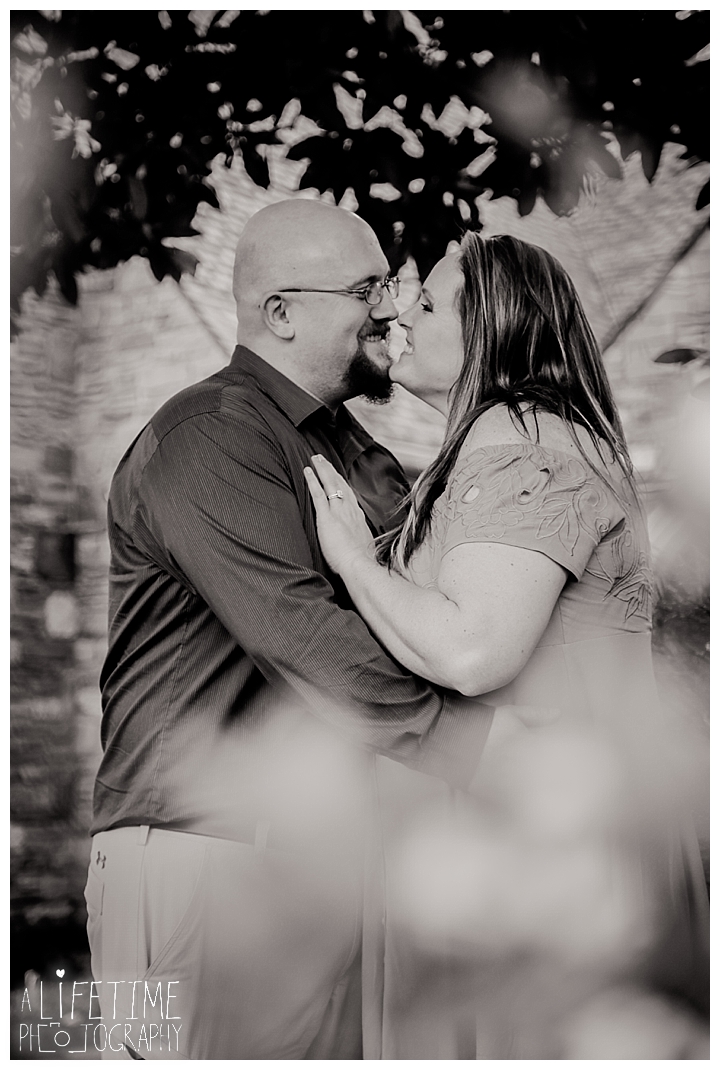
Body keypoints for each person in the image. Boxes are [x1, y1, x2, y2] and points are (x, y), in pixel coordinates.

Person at [84, 200, 509, 1060]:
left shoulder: (360, 455)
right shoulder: (209, 437)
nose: (390, 308)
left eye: (391, 285)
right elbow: (305, 641)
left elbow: (436, 617)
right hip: (189, 856)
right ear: (281, 313)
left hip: (328, 861)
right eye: (366, 289)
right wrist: (497, 757)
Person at [305, 231, 710, 1058]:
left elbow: (472, 651)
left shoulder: (522, 440)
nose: (398, 312)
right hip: (537, 816)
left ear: (490, 326)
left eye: (425, 302)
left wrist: (352, 560)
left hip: (546, 838)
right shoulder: (514, 437)